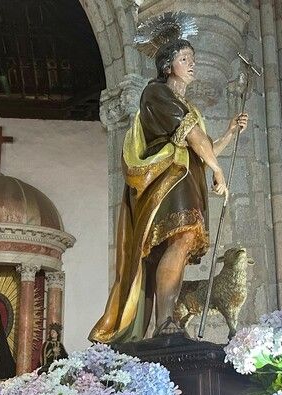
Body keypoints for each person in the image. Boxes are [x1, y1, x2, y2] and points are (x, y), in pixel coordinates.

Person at [89, 38, 248, 343]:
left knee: (180, 244)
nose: (192, 64)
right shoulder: (156, 92)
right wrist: (217, 172)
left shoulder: (190, 108)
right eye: (185, 58)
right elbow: (195, 138)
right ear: (167, 65)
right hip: (170, 178)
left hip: (186, 178)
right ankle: (165, 322)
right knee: (181, 238)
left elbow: (204, 149)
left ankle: (167, 319)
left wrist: (230, 132)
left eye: (192, 59)